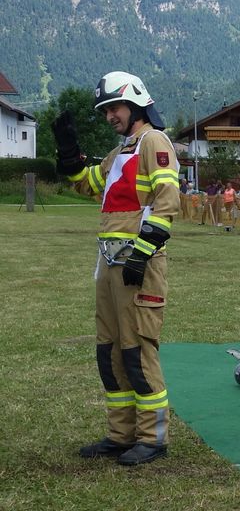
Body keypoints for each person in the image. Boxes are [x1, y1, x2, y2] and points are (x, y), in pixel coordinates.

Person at [52, 71, 179, 466]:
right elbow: (88, 184)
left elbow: (167, 200)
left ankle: (152, 438)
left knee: (138, 350)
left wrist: (142, 253)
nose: (110, 116)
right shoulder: (122, 149)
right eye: (105, 110)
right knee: (109, 353)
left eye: (115, 107)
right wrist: (69, 152)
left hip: (137, 262)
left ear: (137, 102)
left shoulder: (154, 142)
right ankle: (121, 434)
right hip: (108, 264)